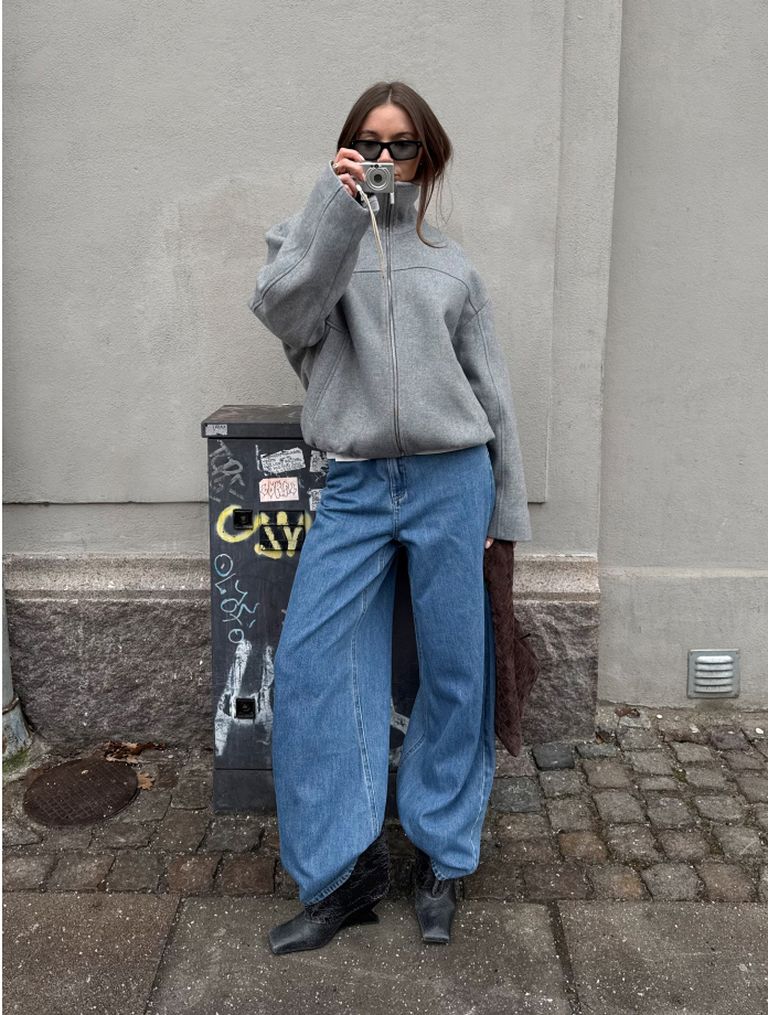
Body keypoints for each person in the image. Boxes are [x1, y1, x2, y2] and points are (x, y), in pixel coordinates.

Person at [248, 81, 532, 955]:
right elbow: (285, 309)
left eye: (400, 144)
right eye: (366, 142)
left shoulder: (454, 267)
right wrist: (331, 213)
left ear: (427, 158)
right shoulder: (309, 244)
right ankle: (342, 875)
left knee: (456, 669)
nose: (382, 158)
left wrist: (506, 512)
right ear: (344, 149)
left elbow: (494, 399)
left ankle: (443, 858)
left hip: (454, 481)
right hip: (358, 484)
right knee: (313, 672)